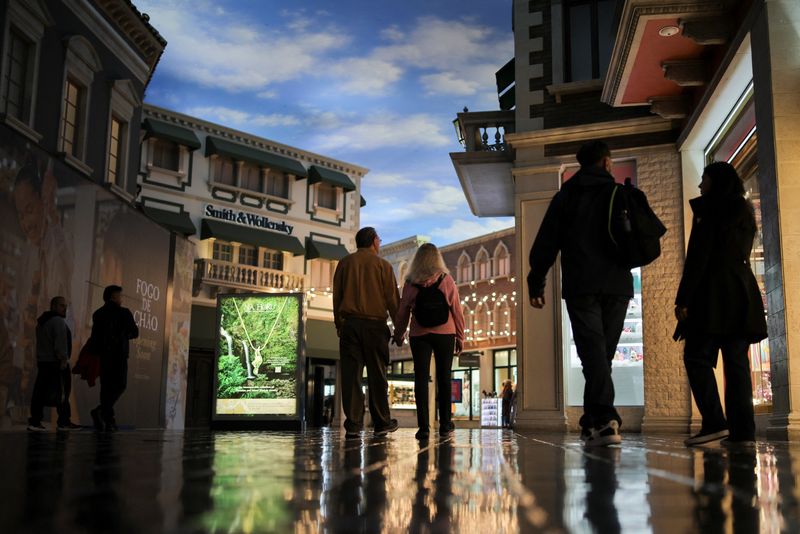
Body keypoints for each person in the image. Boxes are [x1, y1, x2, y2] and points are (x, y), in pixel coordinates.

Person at [528, 140, 631, 447]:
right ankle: (595, 422)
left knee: (594, 356)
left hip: (582, 286)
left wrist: (537, 282)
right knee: (601, 358)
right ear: (607, 163)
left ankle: (602, 421)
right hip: (617, 286)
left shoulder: (566, 197)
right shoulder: (619, 194)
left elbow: (546, 242)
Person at [674, 161, 767, 447]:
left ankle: (715, 423)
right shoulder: (743, 210)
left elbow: (698, 257)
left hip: (712, 292)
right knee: (736, 362)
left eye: (704, 179)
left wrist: (684, 299)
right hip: (741, 290)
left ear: (715, 181)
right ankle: (744, 433)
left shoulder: (708, 211)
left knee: (697, 356)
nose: (700, 185)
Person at [333, 227, 400, 438]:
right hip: (375, 326)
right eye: (379, 239)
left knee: (351, 375)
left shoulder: (344, 263)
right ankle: (382, 422)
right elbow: (392, 300)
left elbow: (337, 296)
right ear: (373, 241)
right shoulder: (383, 266)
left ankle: (353, 424)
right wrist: (399, 329)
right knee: (377, 375)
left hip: (350, 325)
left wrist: (339, 324)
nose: (380, 243)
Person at [393, 243, 465, 440]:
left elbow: (402, 312)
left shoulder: (410, 282)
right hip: (445, 334)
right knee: (444, 378)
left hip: (420, 334)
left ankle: (424, 427)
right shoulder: (446, 279)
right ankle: (445, 425)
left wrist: (398, 335)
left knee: (421, 379)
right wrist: (460, 336)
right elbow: (456, 310)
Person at [90, 285, 139, 431]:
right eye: (120, 295)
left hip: (104, 355)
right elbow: (135, 332)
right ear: (113, 296)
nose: (121, 298)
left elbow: (95, 337)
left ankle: (108, 419)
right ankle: (102, 413)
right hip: (119, 355)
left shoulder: (98, 314)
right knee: (120, 384)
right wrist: (123, 337)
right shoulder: (124, 313)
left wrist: (96, 352)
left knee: (105, 387)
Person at [27, 296, 80, 431]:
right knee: (63, 392)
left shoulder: (42, 321)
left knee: (40, 392)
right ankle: (63, 421)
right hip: (56, 363)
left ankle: (35, 421)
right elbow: (60, 345)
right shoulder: (58, 322)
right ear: (54, 306)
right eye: (62, 305)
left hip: (43, 362)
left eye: (65, 305)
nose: (65, 308)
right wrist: (63, 360)